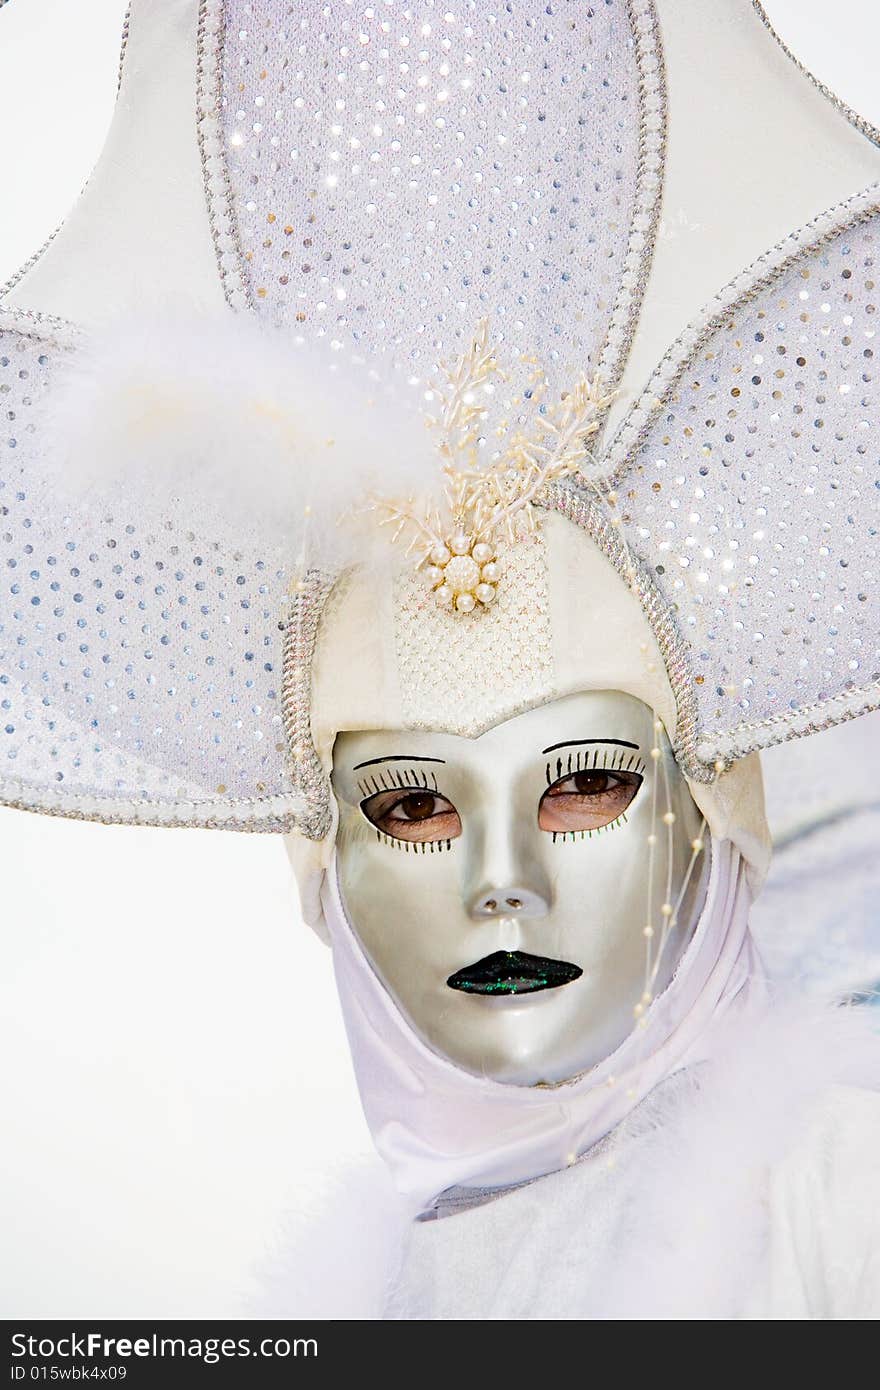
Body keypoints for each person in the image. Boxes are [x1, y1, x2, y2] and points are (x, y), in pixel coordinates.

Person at [2, 0, 879, 1318]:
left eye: (584, 781)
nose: (501, 884)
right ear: (324, 870)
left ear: (708, 815)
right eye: (410, 803)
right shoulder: (380, 1298)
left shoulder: (835, 1195)